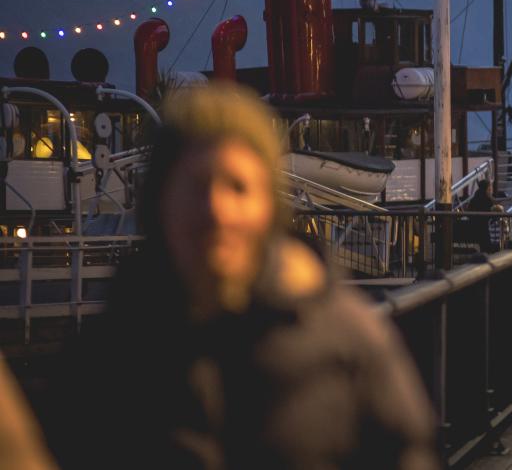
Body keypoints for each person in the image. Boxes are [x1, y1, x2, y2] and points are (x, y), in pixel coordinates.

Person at [64, 82, 436, 469]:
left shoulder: (349, 344)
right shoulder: (103, 360)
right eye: (195, 187)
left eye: (237, 187)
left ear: (268, 204)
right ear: (160, 200)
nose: (216, 210)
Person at [465, 177, 496, 253]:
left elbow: (469, 213)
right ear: (485, 190)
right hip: (484, 232)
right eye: (489, 189)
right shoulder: (488, 201)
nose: (491, 191)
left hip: (472, 231)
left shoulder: (474, 200)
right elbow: (493, 218)